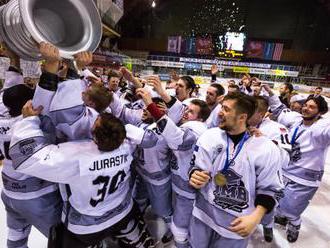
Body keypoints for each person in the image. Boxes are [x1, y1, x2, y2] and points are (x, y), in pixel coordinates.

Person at [9, 103, 159, 248]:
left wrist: (28, 121)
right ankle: (131, 236)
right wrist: (128, 129)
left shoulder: (75, 155)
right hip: (122, 211)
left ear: (94, 136)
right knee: (130, 229)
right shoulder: (127, 146)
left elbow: (25, 158)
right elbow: (151, 140)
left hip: (87, 226)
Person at [188, 92, 283, 248]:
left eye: (226, 109)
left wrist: (256, 217)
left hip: (236, 224)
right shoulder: (209, 137)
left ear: (242, 117)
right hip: (202, 215)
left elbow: (271, 189)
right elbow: (196, 167)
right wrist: (194, 175)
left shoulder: (265, 148)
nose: (219, 112)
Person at [0, 44, 62, 248]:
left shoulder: (4, 111)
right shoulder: (30, 123)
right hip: (36, 196)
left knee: (17, 237)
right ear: (28, 103)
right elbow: (44, 95)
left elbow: (10, 88)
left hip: (9, 193)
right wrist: (51, 64)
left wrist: (14, 59)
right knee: (62, 239)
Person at [138, 87, 211, 248]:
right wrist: (162, 93)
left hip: (188, 189)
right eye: (187, 110)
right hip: (177, 182)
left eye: (191, 112)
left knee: (181, 227)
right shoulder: (189, 124)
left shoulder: (196, 129)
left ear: (199, 119)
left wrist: (151, 105)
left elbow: (177, 138)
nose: (186, 113)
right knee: (175, 216)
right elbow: (177, 111)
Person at [274, 96, 330, 243]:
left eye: (312, 107)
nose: (306, 108)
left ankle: (294, 223)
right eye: (305, 105)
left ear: (320, 112)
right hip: (286, 170)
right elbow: (278, 108)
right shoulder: (296, 120)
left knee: (293, 208)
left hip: (305, 178)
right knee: (278, 200)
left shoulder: (320, 129)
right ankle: (281, 216)